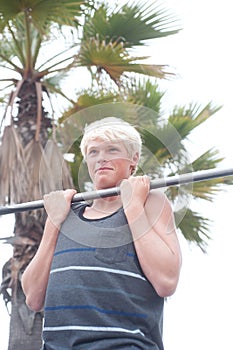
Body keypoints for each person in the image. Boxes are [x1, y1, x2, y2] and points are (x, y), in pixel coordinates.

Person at [22, 117, 182, 349]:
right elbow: (33, 297)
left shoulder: (151, 202)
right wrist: (53, 222)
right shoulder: (66, 213)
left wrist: (133, 206)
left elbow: (166, 281)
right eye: (94, 151)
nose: (101, 158)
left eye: (112, 149)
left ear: (133, 160)